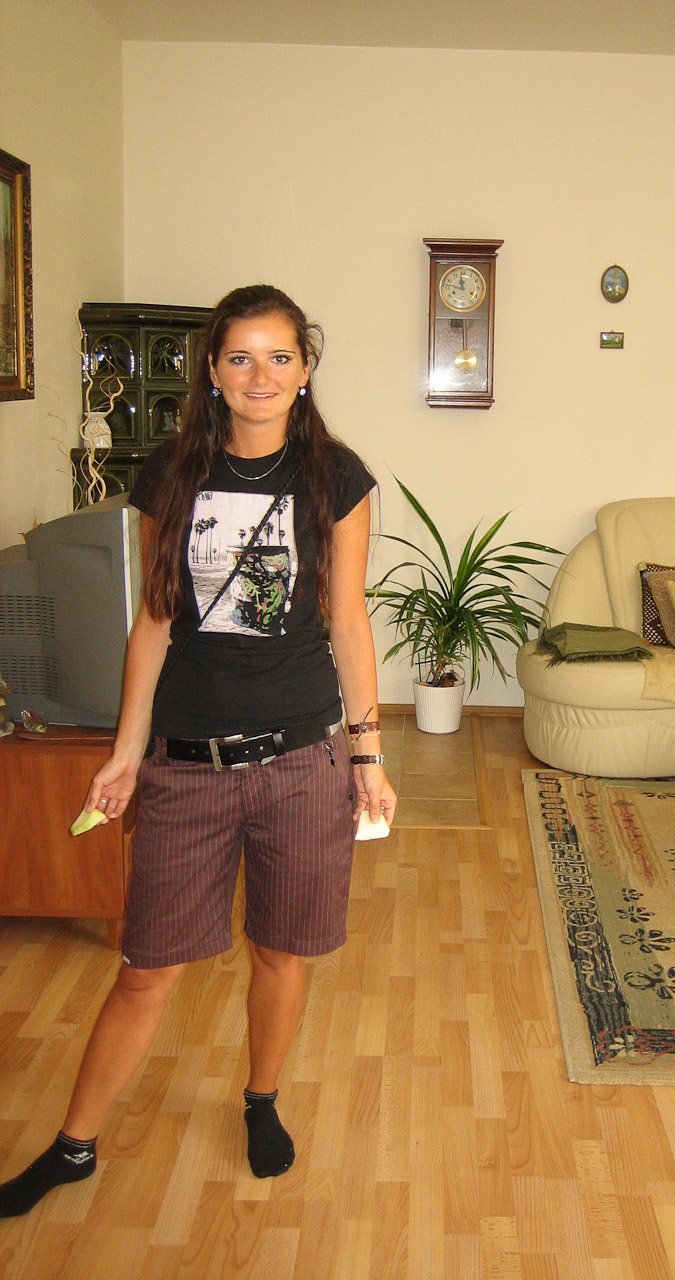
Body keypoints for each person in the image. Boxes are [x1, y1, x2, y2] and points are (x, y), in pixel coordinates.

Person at [0, 284, 397, 1217]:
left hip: (300, 761)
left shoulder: (335, 478)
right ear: (212, 371)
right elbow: (153, 620)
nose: (261, 375)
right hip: (187, 766)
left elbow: (347, 622)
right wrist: (126, 751)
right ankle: (74, 1145)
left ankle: (261, 1100)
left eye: (280, 357)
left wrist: (369, 756)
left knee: (280, 955)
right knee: (147, 970)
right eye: (241, 358)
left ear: (305, 370)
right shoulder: (171, 474)